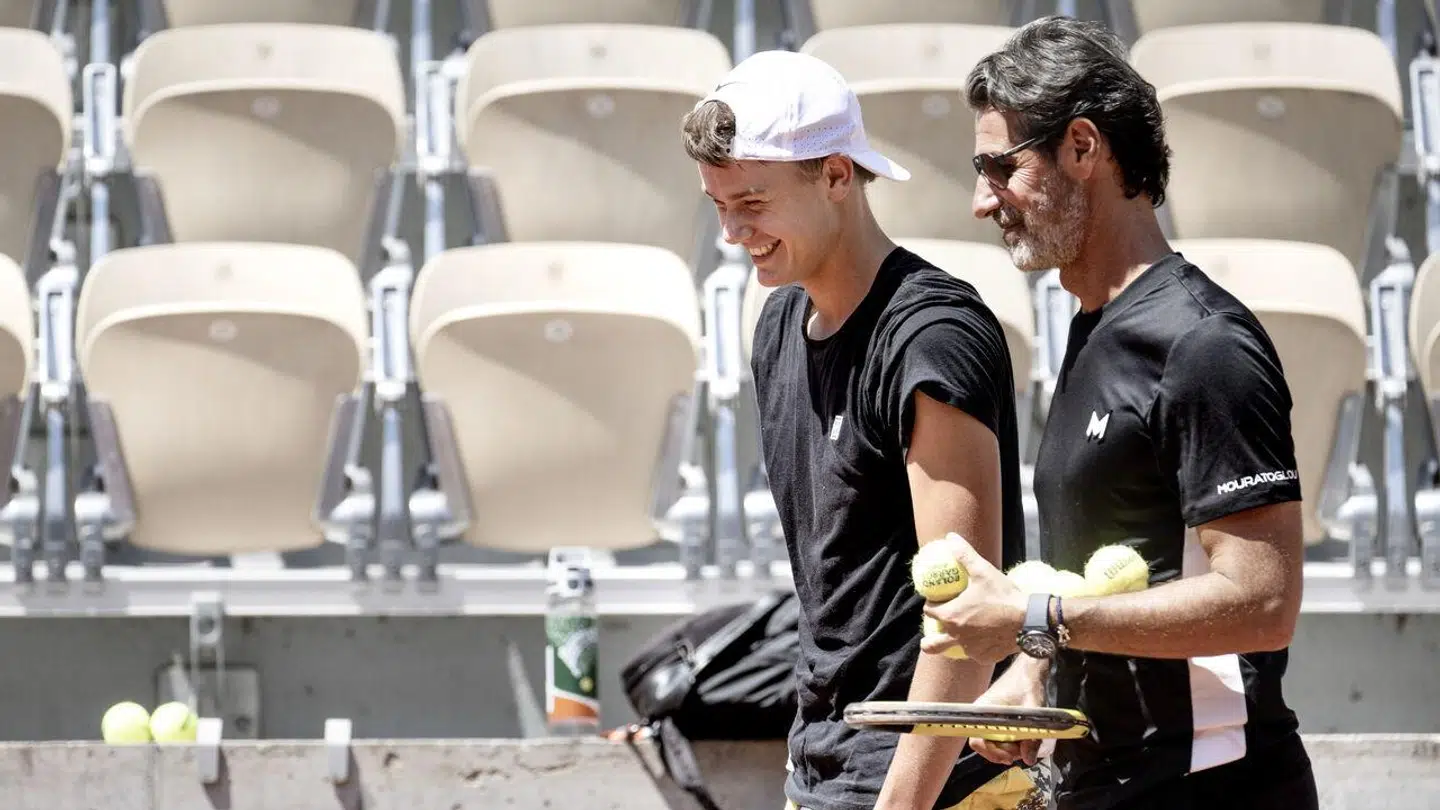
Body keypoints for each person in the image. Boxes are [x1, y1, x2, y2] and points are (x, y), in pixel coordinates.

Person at [918, 16, 1319, 810]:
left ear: (1082, 147)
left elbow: (1264, 603)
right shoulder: (1090, 329)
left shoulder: (1204, 344)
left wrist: (1034, 617)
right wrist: (1033, 675)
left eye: (1000, 167)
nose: (979, 201)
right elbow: (1127, 570)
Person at [679, 50, 1033, 810]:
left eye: (752, 201)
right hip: (827, 765)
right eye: (718, 205)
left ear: (837, 175)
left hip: (942, 782)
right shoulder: (776, 322)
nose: (733, 232)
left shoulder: (932, 335)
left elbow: (969, 619)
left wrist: (899, 803)